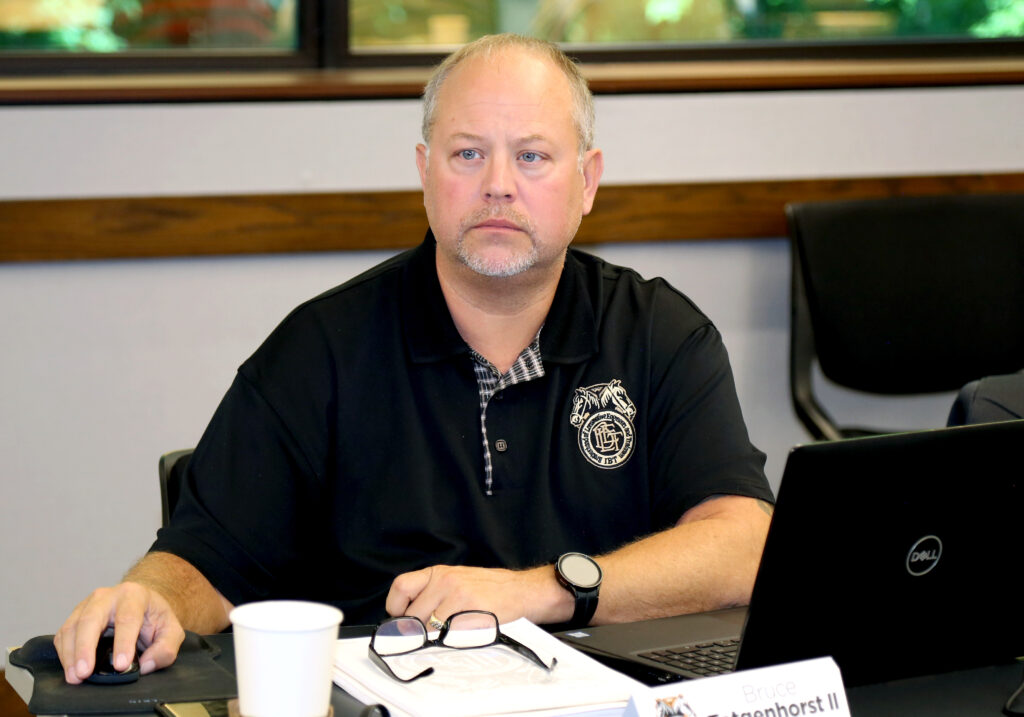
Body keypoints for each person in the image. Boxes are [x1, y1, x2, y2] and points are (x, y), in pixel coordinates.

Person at [55, 33, 774, 685]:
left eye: (532, 156)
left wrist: (540, 591)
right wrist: (147, 597)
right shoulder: (321, 349)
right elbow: (204, 560)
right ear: (425, 172)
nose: (498, 183)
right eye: (468, 154)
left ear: (587, 181)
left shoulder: (659, 335)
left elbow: (746, 545)